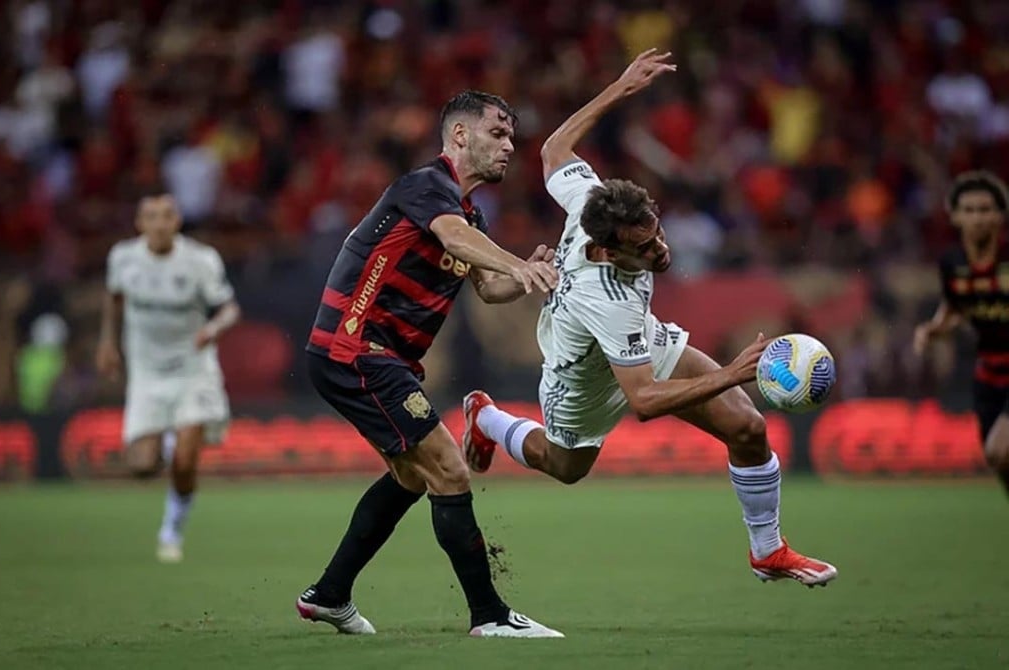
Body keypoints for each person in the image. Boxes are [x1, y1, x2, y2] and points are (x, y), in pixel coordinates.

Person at [462, 50, 838, 587]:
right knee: (565, 467)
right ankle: (487, 419)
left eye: (657, 230)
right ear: (609, 253)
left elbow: (552, 150)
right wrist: (733, 372)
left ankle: (767, 550)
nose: (661, 249)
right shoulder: (606, 295)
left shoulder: (593, 200)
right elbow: (643, 401)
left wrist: (620, 86)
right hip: (581, 379)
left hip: (642, 340)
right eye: (645, 247)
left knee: (748, 428)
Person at [296, 90, 563, 638]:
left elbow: (488, 288)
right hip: (357, 349)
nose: (509, 145)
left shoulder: (469, 210)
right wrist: (518, 263)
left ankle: (330, 593)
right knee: (448, 467)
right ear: (460, 136)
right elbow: (452, 238)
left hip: (373, 357)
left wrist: (525, 273)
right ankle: (489, 615)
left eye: (512, 135)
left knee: (413, 476)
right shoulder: (425, 188)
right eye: (498, 133)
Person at [96, 192, 240, 563]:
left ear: (177, 222)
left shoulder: (199, 260)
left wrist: (213, 328)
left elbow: (229, 309)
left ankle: (172, 527)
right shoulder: (123, 258)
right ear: (139, 223)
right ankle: (165, 444)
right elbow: (113, 299)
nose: (159, 224)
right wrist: (107, 343)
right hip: (146, 371)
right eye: (151, 217)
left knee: (187, 460)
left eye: (166, 216)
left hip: (193, 367)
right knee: (142, 466)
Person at [914, 170, 1009, 494]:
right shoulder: (952, 263)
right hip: (989, 374)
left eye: (985, 210)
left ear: (1000, 216)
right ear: (955, 216)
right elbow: (956, 309)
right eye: (969, 210)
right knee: (998, 461)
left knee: (1000, 449)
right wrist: (934, 329)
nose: (977, 218)